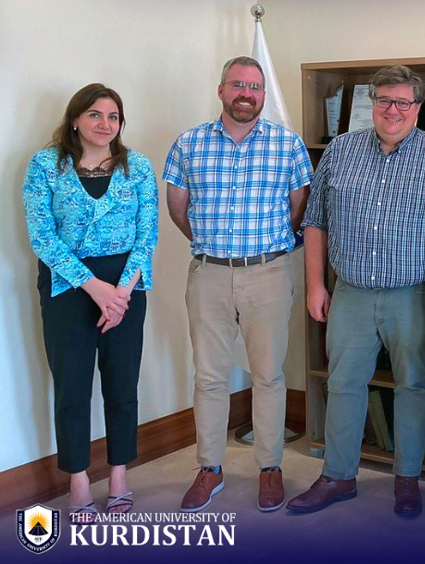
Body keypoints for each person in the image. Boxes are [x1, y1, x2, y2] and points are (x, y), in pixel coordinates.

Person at [288, 65, 425, 516]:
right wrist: (315, 285)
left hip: (414, 296)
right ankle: (337, 476)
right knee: (344, 383)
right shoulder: (340, 151)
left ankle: (407, 479)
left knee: (413, 385)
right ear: (372, 103)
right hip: (349, 292)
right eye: (384, 100)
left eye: (403, 102)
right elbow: (314, 221)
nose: (393, 110)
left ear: (418, 108)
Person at [164, 56, 313, 513]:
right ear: (221, 90)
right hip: (208, 272)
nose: (246, 93)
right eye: (237, 85)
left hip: (268, 272)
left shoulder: (288, 145)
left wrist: (258, 250)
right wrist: (215, 247)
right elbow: (177, 207)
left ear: (263, 94)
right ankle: (209, 468)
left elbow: (298, 207)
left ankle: (270, 468)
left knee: (268, 375)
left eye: (255, 86)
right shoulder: (188, 144)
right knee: (209, 376)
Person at [23, 83, 158, 523]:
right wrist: (94, 287)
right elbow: (42, 236)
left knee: (122, 385)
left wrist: (119, 293)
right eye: (96, 115)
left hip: (127, 286)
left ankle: (119, 476)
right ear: (76, 118)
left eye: (114, 117)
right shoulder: (45, 165)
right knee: (73, 387)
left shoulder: (136, 165)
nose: (105, 124)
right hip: (67, 288)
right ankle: (78, 479)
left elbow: (147, 234)